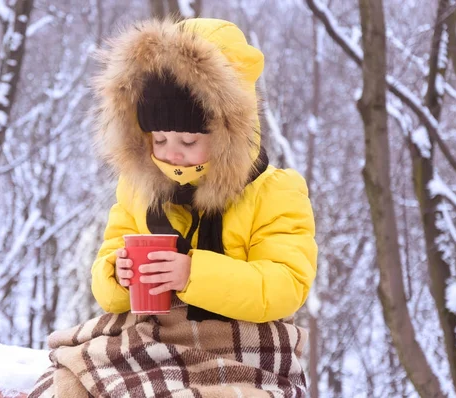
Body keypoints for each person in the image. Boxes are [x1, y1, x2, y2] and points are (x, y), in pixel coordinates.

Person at [28, 17, 317, 398]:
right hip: (153, 337)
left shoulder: (275, 192)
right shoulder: (140, 188)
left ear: (228, 134)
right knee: (69, 383)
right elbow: (108, 282)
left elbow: (285, 285)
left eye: (188, 139)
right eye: (160, 138)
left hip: (246, 346)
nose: (171, 152)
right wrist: (118, 274)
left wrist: (192, 273)